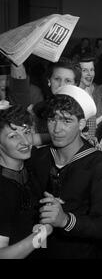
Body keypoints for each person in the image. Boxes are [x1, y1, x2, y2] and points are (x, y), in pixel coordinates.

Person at [27, 85, 102, 258]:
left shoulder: (99, 165)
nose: (57, 128)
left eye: (67, 121)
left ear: (81, 124)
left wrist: (65, 220)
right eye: (52, 119)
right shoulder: (39, 158)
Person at [0, 104, 53, 259]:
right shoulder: (3, 191)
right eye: (13, 136)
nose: (25, 142)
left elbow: (37, 139)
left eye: (27, 132)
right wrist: (44, 232)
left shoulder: (29, 163)